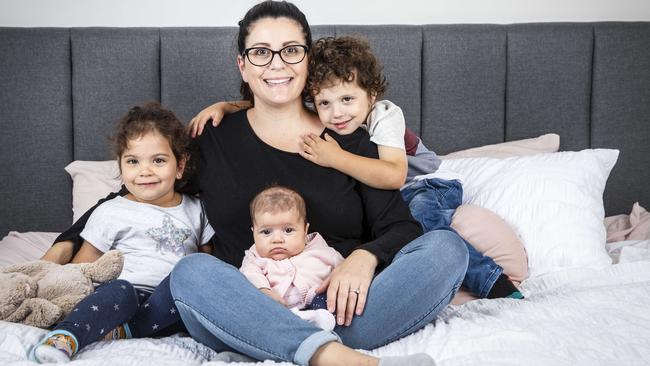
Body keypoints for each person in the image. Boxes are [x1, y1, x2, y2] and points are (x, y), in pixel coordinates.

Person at [42, 2, 467, 365]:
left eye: (291, 51)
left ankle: (311, 346)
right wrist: (64, 245)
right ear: (243, 65)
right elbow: (142, 189)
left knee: (447, 248)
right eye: (261, 52)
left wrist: (365, 258)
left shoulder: (347, 139)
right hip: (242, 308)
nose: (277, 63)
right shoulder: (210, 139)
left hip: (342, 308)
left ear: (308, 61)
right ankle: (328, 355)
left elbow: (402, 228)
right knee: (192, 272)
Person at [191, 35, 522, 300]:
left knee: (426, 229)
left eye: (348, 100)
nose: (337, 113)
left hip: (424, 184)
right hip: (389, 188)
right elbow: (273, 99)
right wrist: (229, 106)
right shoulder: (327, 117)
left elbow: (393, 176)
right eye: (324, 104)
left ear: (372, 94)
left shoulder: (385, 116)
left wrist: (335, 158)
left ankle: (492, 282)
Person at [31, 103, 215, 363]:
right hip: (121, 295)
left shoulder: (196, 209)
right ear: (120, 165)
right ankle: (66, 336)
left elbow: (206, 263)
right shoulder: (111, 211)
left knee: (184, 293)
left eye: (159, 160)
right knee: (121, 291)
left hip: (170, 301)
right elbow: (84, 265)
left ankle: (128, 331)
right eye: (133, 161)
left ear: (180, 165)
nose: (145, 171)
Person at [241, 185, 342, 330]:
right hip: (279, 310)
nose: (277, 239)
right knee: (254, 307)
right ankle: (300, 323)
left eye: (288, 230)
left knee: (332, 296)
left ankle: (319, 321)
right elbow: (249, 274)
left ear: (305, 230)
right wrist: (264, 291)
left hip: (317, 301)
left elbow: (344, 270)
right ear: (253, 232)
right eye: (266, 232)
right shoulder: (254, 257)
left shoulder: (321, 250)